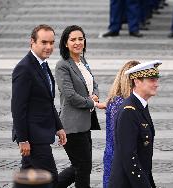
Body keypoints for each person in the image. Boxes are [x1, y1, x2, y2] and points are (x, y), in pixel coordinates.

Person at [11, 24, 66, 188]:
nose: (48, 47)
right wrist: (23, 139)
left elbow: (47, 101)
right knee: (51, 179)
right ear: (32, 42)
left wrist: (59, 127)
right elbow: (18, 108)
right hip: (33, 137)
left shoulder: (43, 64)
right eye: (44, 42)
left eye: (51, 42)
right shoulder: (24, 68)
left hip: (41, 133)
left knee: (27, 179)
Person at [55, 25, 105, 188]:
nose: (78, 42)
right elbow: (70, 95)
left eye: (80, 39)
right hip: (72, 125)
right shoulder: (63, 65)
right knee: (82, 167)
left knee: (81, 166)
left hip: (84, 123)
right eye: (73, 39)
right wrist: (92, 102)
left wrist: (95, 94)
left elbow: (93, 83)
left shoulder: (82, 60)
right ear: (65, 43)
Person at [109, 60, 162, 188]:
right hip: (127, 182)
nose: (156, 84)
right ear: (137, 81)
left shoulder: (141, 105)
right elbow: (129, 156)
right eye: (151, 80)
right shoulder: (129, 111)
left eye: (156, 80)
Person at [103, 60, 140, 188]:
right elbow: (118, 137)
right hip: (118, 159)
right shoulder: (121, 103)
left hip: (113, 155)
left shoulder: (117, 100)